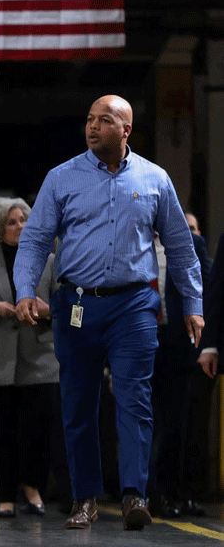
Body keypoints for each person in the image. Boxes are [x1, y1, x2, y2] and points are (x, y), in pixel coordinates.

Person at [13, 95, 204, 531]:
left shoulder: (155, 178)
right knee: (78, 404)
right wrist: (26, 290)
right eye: (89, 119)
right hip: (76, 304)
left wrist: (193, 305)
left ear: (126, 130)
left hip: (134, 305)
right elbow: (35, 240)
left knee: (135, 399)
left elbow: (180, 246)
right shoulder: (61, 178)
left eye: (105, 120)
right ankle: (84, 499)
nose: (93, 126)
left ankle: (135, 494)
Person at [0, 197, 59, 518]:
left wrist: (48, 310)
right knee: (2, 430)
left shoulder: (49, 260)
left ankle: (34, 488)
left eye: (24, 220)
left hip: (39, 356)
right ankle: (6, 495)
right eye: (12, 222)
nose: (19, 226)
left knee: (37, 428)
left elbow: (67, 307)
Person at [149, 222, 210, 518]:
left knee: (174, 425)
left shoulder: (191, 245)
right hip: (140, 342)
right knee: (142, 423)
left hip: (176, 344)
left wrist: (204, 346)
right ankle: (144, 493)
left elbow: (207, 294)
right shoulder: (133, 243)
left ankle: (169, 493)